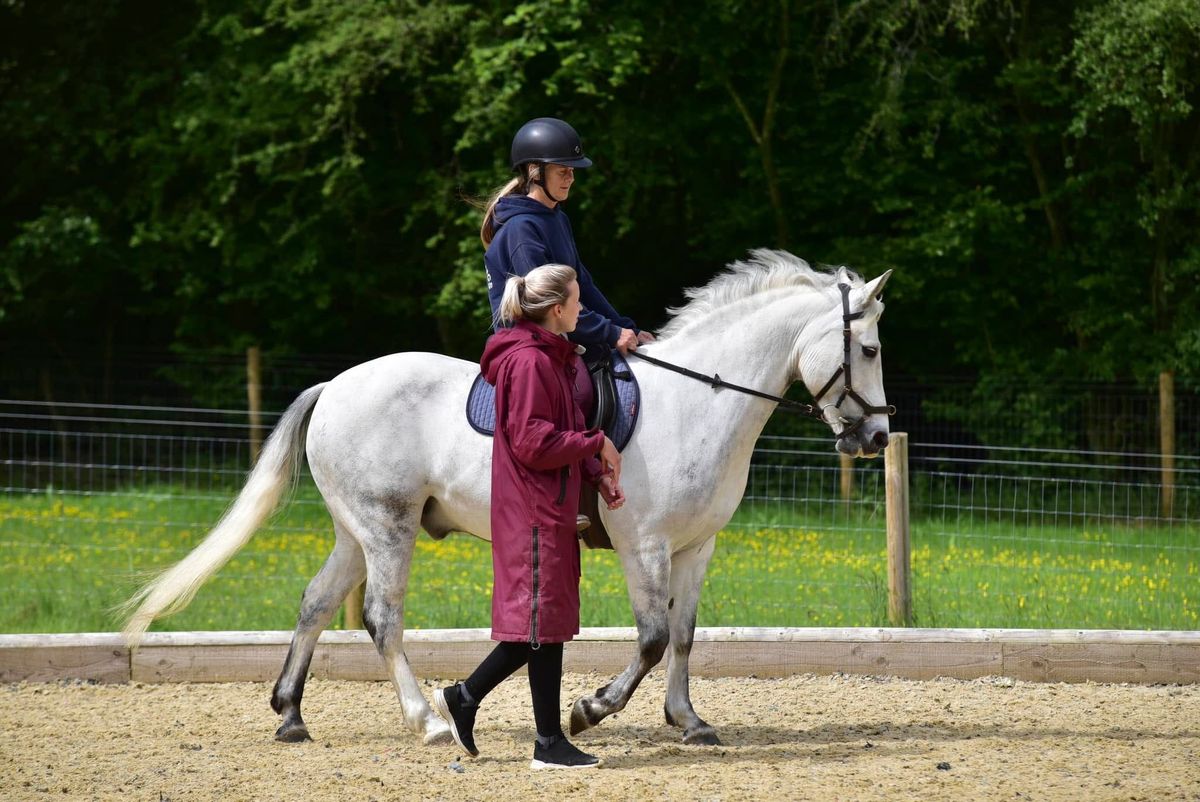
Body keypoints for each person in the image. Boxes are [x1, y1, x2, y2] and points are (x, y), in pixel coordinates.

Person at [434, 264, 626, 770]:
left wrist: (594, 471)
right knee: (541, 626)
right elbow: (531, 441)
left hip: (549, 504)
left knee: (545, 625)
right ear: (556, 309)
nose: (583, 310)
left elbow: (557, 429)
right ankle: (542, 742)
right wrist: (596, 442)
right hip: (534, 509)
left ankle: (469, 702)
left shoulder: (551, 359)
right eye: (578, 302)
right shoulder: (531, 363)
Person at [481, 117, 654, 362]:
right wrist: (610, 332)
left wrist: (625, 328)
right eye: (563, 171)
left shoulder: (556, 218)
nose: (570, 178)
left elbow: (583, 285)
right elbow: (549, 303)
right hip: (531, 352)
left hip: (560, 337)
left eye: (572, 171)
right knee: (582, 394)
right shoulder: (521, 230)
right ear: (534, 171)